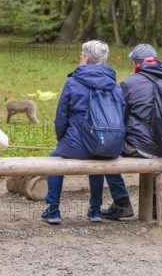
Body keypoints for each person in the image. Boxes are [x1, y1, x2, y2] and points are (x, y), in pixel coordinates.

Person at [42, 41, 125, 224]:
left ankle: (53, 210)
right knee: (97, 156)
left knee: (54, 160)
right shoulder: (115, 85)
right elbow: (121, 114)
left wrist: (62, 139)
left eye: (81, 54)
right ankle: (95, 210)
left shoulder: (72, 82)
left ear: (85, 59)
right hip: (107, 144)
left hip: (75, 144)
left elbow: (61, 117)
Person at [101, 44, 162, 220]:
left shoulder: (129, 83)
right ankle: (154, 205)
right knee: (152, 142)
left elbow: (119, 116)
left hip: (144, 147)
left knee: (104, 149)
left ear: (136, 64)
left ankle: (122, 204)